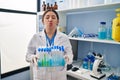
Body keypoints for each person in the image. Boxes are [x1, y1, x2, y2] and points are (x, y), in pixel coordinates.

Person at [26, 9, 73, 80]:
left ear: (57, 21)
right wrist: (33, 58)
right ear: (43, 21)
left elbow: (70, 55)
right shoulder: (36, 37)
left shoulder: (64, 38)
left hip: (59, 76)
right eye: (47, 17)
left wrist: (68, 58)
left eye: (53, 17)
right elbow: (27, 55)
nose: (50, 19)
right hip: (41, 76)